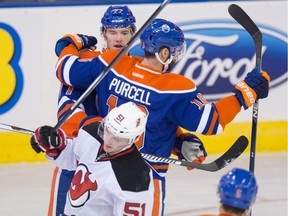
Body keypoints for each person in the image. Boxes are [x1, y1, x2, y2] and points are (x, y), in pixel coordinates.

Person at [53, 18, 270, 215]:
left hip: (99, 167)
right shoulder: (173, 88)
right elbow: (211, 122)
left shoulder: (112, 63)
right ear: (164, 53)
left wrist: (71, 42)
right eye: (175, 51)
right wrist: (246, 93)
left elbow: (66, 71)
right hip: (143, 181)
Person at [49, 5, 139, 216]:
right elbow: (67, 111)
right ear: (104, 34)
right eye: (112, 32)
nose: (119, 38)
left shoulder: (138, 69)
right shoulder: (88, 63)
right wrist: (99, 131)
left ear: (133, 35)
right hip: (78, 163)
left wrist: (179, 140)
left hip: (119, 165)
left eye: (125, 32)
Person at [30, 102, 155, 216]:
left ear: (134, 139)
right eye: (107, 130)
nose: (108, 140)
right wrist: (55, 145)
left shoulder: (136, 180)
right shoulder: (92, 132)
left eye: (117, 138)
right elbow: (75, 156)